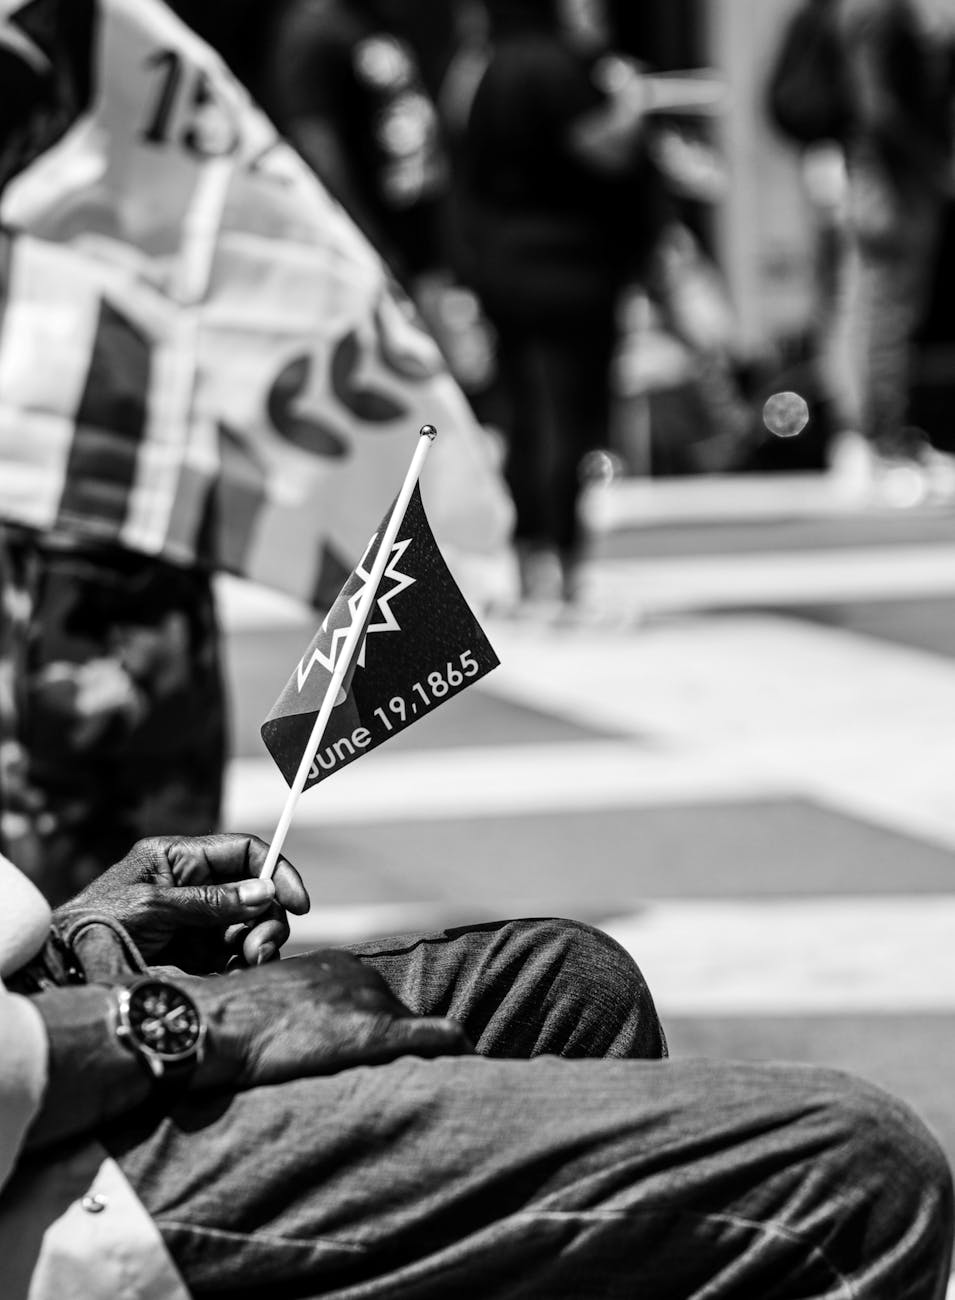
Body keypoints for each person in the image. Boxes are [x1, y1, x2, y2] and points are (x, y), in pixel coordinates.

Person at [1, 833, 952, 1298]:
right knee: (854, 1172)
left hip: (39, 1016)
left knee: (567, 985)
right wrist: (178, 1026)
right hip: (37, 1139)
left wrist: (69, 930)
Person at [455, 0, 669, 607]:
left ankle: (528, 556)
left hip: (502, 262)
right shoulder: (560, 69)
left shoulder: (486, 68)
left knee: (521, 414)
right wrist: (631, 104)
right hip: (570, 265)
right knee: (569, 413)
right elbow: (605, 150)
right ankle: (563, 560)